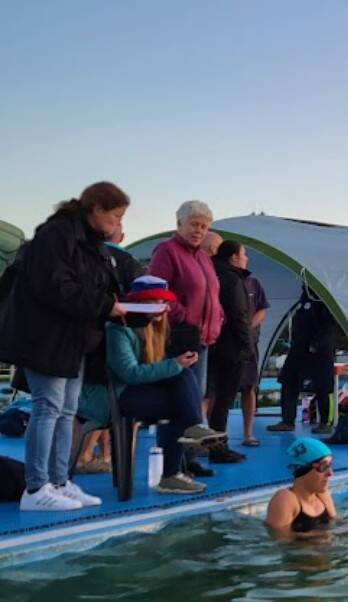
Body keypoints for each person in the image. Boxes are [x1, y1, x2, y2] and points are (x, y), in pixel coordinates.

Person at [0, 182, 130, 511]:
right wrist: (104, 305)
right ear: (96, 210)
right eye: (115, 216)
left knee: (67, 410)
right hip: (45, 338)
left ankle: (58, 481)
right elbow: (56, 287)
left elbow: (95, 285)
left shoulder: (89, 244)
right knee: (48, 409)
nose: (118, 223)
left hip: (72, 340)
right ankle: (35, 487)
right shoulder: (58, 236)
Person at [106, 276, 227, 494]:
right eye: (154, 302)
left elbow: (157, 371)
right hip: (117, 396)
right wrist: (174, 365)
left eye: (163, 302)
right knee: (179, 376)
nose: (161, 308)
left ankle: (175, 467)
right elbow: (129, 373)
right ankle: (181, 453)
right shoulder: (118, 329)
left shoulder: (157, 330)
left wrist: (177, 364)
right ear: (138, 304)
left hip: (139, 392)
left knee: (181, 384)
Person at [147, 200, 225, 476]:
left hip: (201, 339)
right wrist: (183, 317)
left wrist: (218, 317)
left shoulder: (203, 257)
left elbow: (211, 295)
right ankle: (172, 463)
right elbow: (156, 291)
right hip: (177, 337)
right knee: (179, 401)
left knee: (195, 397)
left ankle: (188, 459)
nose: (199, 231)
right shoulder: (166, 252)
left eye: (204, 226)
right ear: (179, 224)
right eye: (194, 224)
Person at [75, 221, 144, 474]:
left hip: (85, 342)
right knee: (106, 405)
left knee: (87, 406)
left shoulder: (80, 257)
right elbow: (138, 307)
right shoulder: (124, 262)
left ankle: (96, 456)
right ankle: (94, 457)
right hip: (109, 342)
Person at [266, 285, 337, 434]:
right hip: (299, 349)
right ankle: (287, 420)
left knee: (323, 386)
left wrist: (317, 344)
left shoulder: (324, 300)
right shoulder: (304, 299)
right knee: (288, 381)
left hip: (318, 351)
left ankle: (325, 422)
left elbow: (329, 327)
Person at [207, 240, 254, 451]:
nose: (246, 259)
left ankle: (211, 444)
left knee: (214, 397)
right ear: (233, 257)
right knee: (225, 399)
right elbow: (239, 315)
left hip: (213, 343)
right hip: (231, 346)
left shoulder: (212, 275)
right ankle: (219, 448)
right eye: (244, 254)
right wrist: (247, 345)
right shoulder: (232, 280)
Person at [265, 437, 340, 537]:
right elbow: (280, 541)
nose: (330, 473)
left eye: (330, 465)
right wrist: (321, 536)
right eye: (323, 466)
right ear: (302, 469)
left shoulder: (322, 493)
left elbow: (335, 521)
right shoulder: (285, 499)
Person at [238, 255, 269, 444]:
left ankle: (248, 433)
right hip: (226, 346)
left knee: (249, 387)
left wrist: (246, 328)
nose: (246, 258)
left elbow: (262, 310)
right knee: (214, 392)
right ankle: (208, 434)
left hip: (249, 345)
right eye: (242, 254)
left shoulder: (253, 283)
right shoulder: (221, 280)